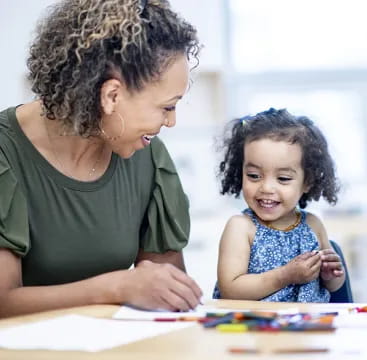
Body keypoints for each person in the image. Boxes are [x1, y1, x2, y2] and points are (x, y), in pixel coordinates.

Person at [0, 0, 204, 318]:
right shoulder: (5, 151)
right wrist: (118, 286)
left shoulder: (147, 156)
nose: (171, 121)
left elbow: (167, 294)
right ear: (111, 96)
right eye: (167, 107)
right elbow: (3, 301)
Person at [212, 108, 345, 302]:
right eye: (254, 176)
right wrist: (286, 275)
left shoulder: (313, 225)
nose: (266, 187)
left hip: (308, 326)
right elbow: (231, 290)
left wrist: (330, 275)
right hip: (252, 327)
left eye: (282, 178)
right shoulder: (241, 227)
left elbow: (332, 286)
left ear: (307, 181)